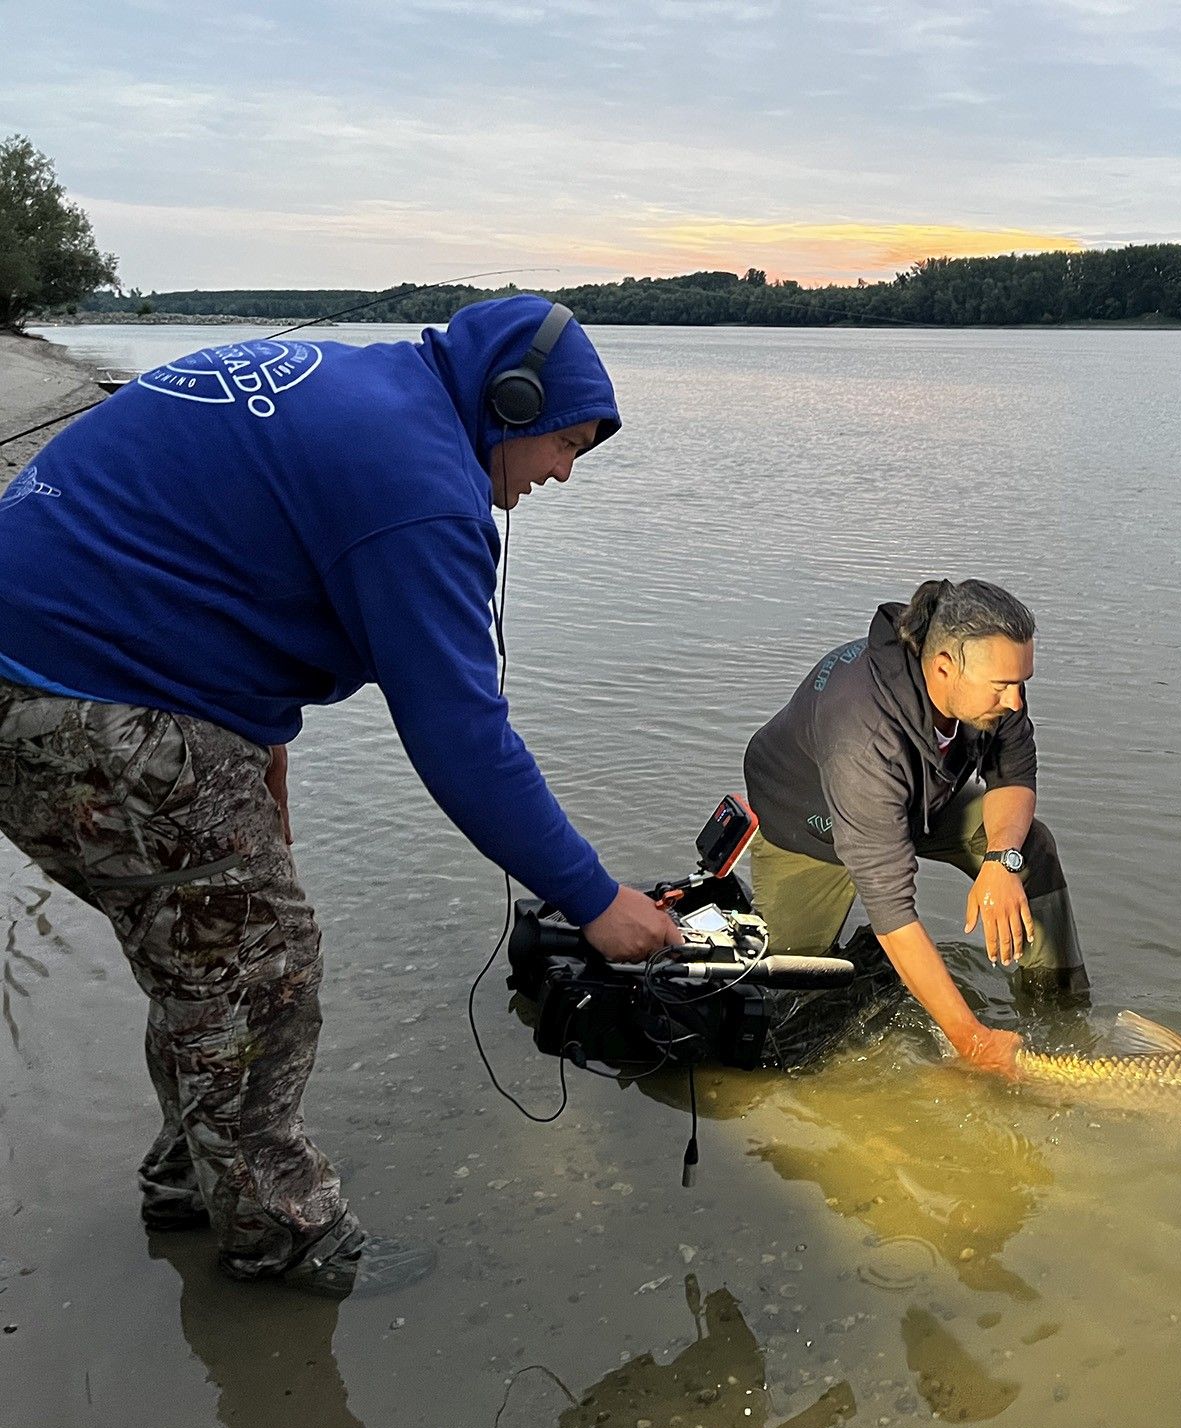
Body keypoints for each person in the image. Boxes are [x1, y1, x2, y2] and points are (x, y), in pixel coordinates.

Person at [0, 296, 678, 1296]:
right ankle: (280, 1237)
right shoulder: (420, 487)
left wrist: (260, 753)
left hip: (61, 667)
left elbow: (227, 572)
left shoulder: (371, 394)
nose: (563, 475)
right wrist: (593, 899)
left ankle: (194, 1177)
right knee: (259, 967)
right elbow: (462, 741)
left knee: (205, 946)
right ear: (511, 400)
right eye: (563, 445)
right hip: (81, 693)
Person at [743, 579, 1088, 1075]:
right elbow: (892, 909)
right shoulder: (863, 735)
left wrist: (1000, 861)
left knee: (1031, 847)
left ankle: (1059, 1016)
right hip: (811, 825)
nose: (1015, 701)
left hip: (923, 798)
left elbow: (1014, 773)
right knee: (794, 989)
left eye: (1023, 682)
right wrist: (972, 1041)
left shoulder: (995, 682)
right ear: (944, 667)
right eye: (1002, 687)